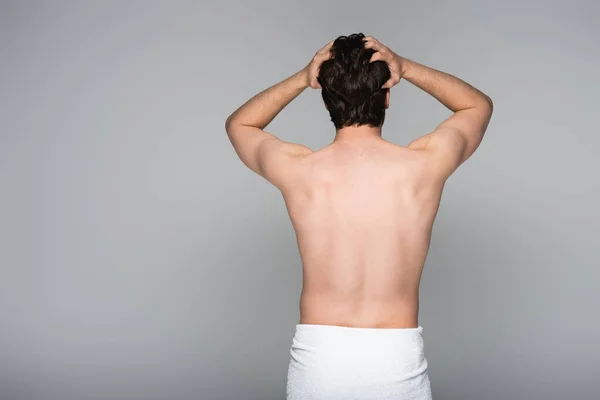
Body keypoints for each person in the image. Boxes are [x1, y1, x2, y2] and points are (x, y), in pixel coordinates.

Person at [225, 33, 493, 399]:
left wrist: (302, 77)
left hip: (320, 358)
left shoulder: (301, 170)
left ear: (326, 101)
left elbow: (239, 124)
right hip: (395, 357)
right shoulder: (423, 166)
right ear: (386, 96)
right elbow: (476, 106)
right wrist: (406, 67)